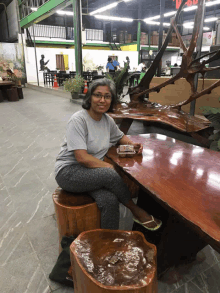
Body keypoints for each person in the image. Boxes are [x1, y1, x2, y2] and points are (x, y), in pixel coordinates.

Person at [55, 78, 162, 231]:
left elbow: (119, 137)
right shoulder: (78, 120)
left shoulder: (107, 120)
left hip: (92, 173)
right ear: (90, 97)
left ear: (111, 100)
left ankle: (109, 240)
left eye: (107, 96)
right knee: (110, 174)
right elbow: (81, 157)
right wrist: (108, 167)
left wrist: (132, 145)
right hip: (69, 172)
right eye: (97, 95)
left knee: (109, 200)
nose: (102, 100)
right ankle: (136, 211)